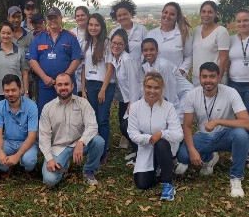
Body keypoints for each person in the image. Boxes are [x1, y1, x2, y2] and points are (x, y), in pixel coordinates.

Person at [176, 63, 249, 197]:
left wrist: (217, 121)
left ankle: (236, 177)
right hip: (204, 136)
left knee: (241, 134)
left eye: (212, 76)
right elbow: (187, 126)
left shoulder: (230, 92)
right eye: (204, 76)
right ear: (199, 78)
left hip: (226, 135)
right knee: (183, 155)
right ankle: (210, 156)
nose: (208, 80)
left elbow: (247, 124)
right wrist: (192, 150)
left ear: (219, 77)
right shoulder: (192, 95)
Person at [39, 73, 105, 186]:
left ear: (72, 86)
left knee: (99, 141)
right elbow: (44, 136)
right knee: (50, 179)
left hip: (79, 144)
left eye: (66, 84)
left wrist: (81, 142)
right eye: (59, 85)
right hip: (58, 148)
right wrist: (50, 159)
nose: (63, 87)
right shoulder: (48, 108)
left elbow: (92, 126)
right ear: (55, 87)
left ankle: (89, 171)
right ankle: (63, 167)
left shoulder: (83, 103)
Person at [128, 71, 183, 201]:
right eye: (149, 87)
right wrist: (149, 138)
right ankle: (158, 169)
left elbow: (179, 135)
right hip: (146, 147)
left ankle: (168, 184)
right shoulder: (135, 107)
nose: (152, 91)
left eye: (156, 87)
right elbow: (133, 134)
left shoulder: (168, 107)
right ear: (144, 87)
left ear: (162, 89)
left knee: (161, 142)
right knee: (142, 184)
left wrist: (161, 133)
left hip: (164, 148)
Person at [27, 7, 83, 115]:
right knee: (45, 114)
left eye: (55, 17)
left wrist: (64, 77)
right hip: (45, 85)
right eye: (50, 18)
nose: (53, 21)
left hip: (66, 85)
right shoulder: (39, 38)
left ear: (61, 18)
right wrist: (44, 77)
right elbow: (32, 60)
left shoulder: (70, 37)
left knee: (69, 115)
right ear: (46, 21)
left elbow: (77, 59)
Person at [227, 9, 249, 168]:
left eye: (245, 21)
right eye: (239, 21)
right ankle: (243, 149)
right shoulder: (231, 40)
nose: (241, 24)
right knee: (237, 119)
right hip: (234, 84)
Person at [0, 74, 39, 178]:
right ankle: (6, 167)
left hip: (27, 141)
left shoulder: (31, 106)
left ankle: (28, 169)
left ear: (21, 89)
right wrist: (0, 151)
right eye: (7, 90)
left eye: (13, 90)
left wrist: (17, 156)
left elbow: (32, 136)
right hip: (8, 141)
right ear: (3, 91)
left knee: (29, 160)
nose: (10, 94)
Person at [81, 13, 115, 162]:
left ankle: (103, 151)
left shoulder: (107, 44)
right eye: (91, 25)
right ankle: (94, 147)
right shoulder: (86, 43)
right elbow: (83, 68)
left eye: (96, 25)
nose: (93, 28)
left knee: (102, 119)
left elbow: (110, 68)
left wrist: (103, 90)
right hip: (90, 84)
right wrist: (83, 89)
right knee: (92, 119)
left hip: (104, 85)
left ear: (102, 27)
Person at [139, 38, 193, 119]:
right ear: (142, 52)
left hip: (186, 95)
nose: (148, 53)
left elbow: (170, 90)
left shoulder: (163, 65)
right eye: (145, 50)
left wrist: (169, 110)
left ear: (157, 50)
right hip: (174, 96)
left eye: (152, 50)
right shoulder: (146, 66)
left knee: (175, 120)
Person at [110, 29, 140, 162]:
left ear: (125, 45)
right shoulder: (115, 59)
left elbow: (134, 84)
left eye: (120, 44)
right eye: (114, 43)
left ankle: (141, 154)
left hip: (135, 98)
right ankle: (137, 151)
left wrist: (132, 104)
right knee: (125, 126)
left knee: (126, 126)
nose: (116, 46)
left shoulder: (127, 60)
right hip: (125, 98)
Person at [0, 22, 30, 105]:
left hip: (16, 93)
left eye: (8, 33)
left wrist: (26, 92)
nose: (5, 36)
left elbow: (25, 73)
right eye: (3, 33)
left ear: (13, 34)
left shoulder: (20, 52)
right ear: (0, 33)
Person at [147, 2, 193, 76]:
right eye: (165, 12)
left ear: (177, 17)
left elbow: (189, 56)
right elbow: (145, 56)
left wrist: (181, 70)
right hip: (155, 80)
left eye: (172, 14)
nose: (167, 16)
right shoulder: (151, 34)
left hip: (176, 79)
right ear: (162, 13)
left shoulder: (183, 35)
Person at [191, 1, 230, 86]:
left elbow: (224, 59)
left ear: (215, 14)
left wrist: (218, 79)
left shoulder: (221, 31)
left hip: (213, 79)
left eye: (210, 12)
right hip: (197, 78)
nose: (206, 15)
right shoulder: (196, 30)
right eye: (203, 11)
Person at [71, 6, 89, 95]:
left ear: (87, 16)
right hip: (74, 71)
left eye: (83, 15)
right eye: (77, 16)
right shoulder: (71, 33)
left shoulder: (92, 31)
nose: (80, 18)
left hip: (89, 72)